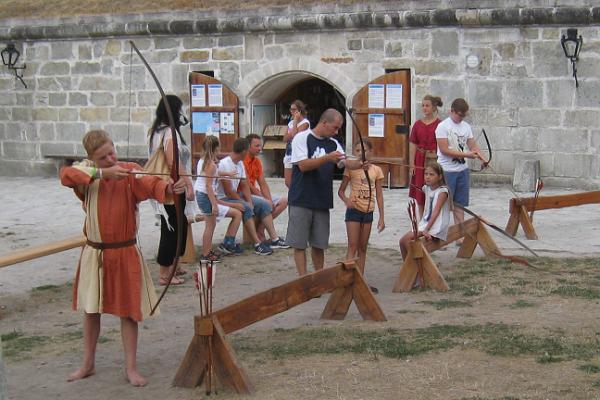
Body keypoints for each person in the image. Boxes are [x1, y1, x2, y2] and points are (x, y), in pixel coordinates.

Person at [61, 129, 188, 387]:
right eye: (103, 157)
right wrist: (102, 173)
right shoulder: (86, 175)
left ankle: (130, 368)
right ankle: (88, 363)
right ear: (92, 159)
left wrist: (170, 186)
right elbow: (66, 175)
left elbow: (151, 184)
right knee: (91, 309)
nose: (111, 158)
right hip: (95, 253)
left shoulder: (129, 171)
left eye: (111, 152)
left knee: (129, 312)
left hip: (125, 251)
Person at [287, 108, 365, 276]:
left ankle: (319, 278)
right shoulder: (302, 137)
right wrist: (327, 158)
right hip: (301, 197)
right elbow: (303, 165)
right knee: (299, 244)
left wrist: (359, 163)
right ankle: (304, 280)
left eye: (338, 129)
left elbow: (344, 162)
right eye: (334, 128)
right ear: (324, 123)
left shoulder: (333, 144)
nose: (336, 132)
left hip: (321, 199)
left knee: (319, 244)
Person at [148, 95, 195, 286]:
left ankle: (174, 266)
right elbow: (172, 160)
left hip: (166, 184)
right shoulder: (168, 132)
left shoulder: (156, 131)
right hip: (171, 186)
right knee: (172, 229)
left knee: (178, 224)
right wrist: (188, 182)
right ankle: (164, 273)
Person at [216, 138, 287, 255]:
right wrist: (244, 203)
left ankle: (273, 239)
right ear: (245, 151)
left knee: (259, 204)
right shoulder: (225, 164)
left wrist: (249, 201)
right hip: (224, 198)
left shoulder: (239, 163)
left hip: (235, 196)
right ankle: (257, 243)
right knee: (247, 208)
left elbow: (244, 185)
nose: (260, 149)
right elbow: (229, 192)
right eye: (257, 146)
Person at [338, 139, 385, 292]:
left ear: (371, 152)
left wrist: (382, 217)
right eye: (357, 151)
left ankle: (360, 280)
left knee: (363, 247)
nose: (361, 153)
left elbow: (379, 195)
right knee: (352, 245)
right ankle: (347, 280)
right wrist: (347, 201)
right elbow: (341, 191)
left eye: (364, 150)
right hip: (354, 211)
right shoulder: (351, 169)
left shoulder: (376, 170)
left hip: (368, 211)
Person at [435, 98, 486, 231]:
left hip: (462, 170)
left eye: (464, 115)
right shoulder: (443, 127)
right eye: (459, 115)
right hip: (447, 170)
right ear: (452, 111)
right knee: (444, 204)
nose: (461, 118)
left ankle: (459, 234)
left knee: (460, 204)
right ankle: (440, 234)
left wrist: (483, 158)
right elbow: (445, 150)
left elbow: (472, 145)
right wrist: (467, 155)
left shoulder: (466, 127)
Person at [194, 135, 244, 262]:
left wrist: (227, 174)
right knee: (210, 226)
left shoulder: (203, 161)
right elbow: (209, 185)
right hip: (206, 196)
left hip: (202, 195)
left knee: (210, 225)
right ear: (216, 148)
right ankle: (206, 255)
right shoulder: (211, 164)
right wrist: (214, 204)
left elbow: (212, 175)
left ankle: (207, 251)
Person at [399, 162, 451, 260]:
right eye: (426, 174)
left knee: (406, 240)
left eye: (431, 174)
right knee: (402, 242)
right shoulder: (427, 188)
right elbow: (418, 185)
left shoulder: (443, 191)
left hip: (436, 226)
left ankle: (416, 267)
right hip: (426, 224)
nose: (427, 177)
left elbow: (436, 212)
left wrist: (426, 229)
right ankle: (408, 267)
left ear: (440, 177)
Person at [244, 133, 289, 242]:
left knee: (284, 201)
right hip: (245, 194)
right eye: (257, 146)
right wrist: (265, 200)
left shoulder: (257, 161)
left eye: (260, 145)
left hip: (255, 193)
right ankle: (270, 237)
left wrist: (268, 198)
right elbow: (247, 186)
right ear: (248, 146)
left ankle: (261, 228)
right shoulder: (243, 160)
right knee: (265, 203)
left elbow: (262, 183)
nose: (260, 149)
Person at [409, 95, 443, 217]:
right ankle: (422, 219)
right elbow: (413, 143)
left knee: (434, 187)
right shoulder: (417, 124)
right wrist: (412, 163)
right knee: (420, 188)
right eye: (423, 105)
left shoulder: (440, 125)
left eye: (427, 105)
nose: (424, 108)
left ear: (434, 107)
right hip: (420, 160)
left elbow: (443, 144)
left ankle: (434, 217)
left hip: (434, 159)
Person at [283, 100, 310, 188]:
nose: (291, 111)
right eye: (291, 109)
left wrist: (295, 122)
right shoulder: (290, 123)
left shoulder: (305, 123)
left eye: (294, 109)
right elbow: (285, 138)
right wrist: (293, 127)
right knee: (288, 182)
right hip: (289, 153)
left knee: (298, 180)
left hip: (299, 154)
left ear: (300, 110)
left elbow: (295, 136)